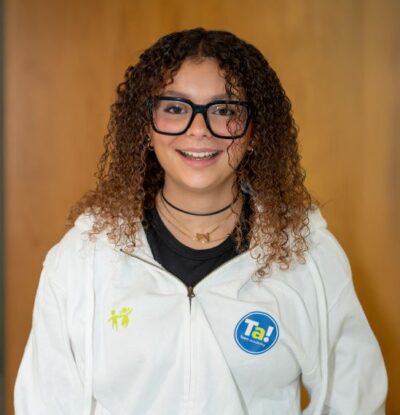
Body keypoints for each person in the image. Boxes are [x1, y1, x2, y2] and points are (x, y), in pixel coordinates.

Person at [14, 28, 387, 414]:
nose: (198, 129)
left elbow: (355, 400)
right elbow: (44, 404)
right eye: (175, 108)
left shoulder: (306, 255)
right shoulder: (84, 257)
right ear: (146, 127)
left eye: (224, 110)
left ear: (255, 130)